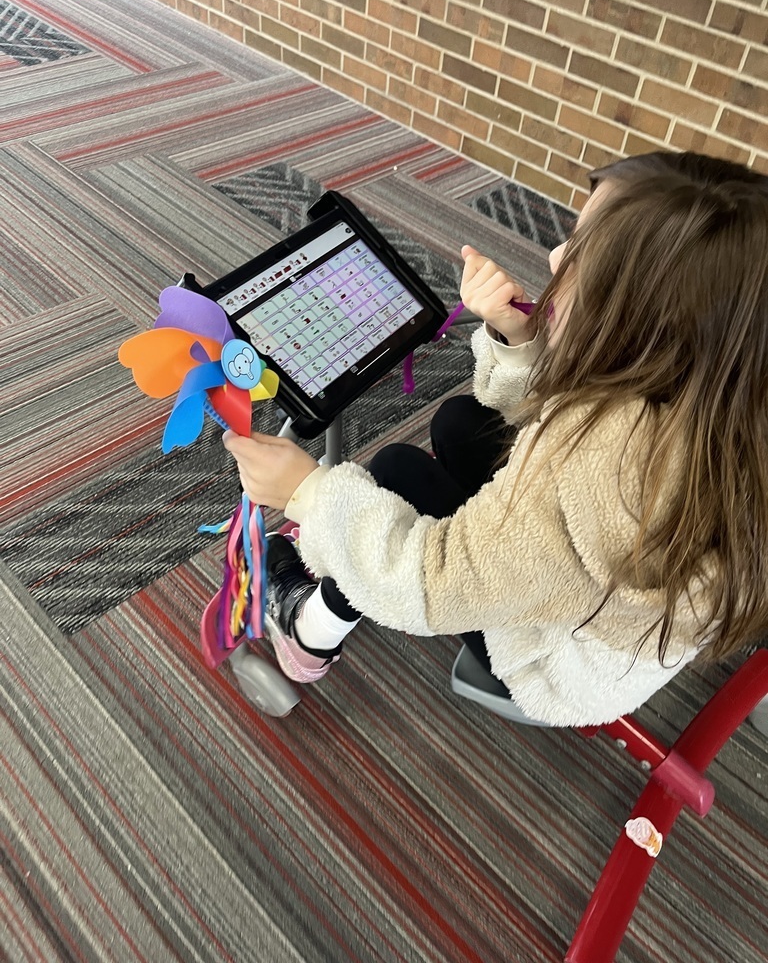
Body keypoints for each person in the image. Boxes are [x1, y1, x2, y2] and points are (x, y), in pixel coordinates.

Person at [223, 151, 768, 726]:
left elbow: (428, 584)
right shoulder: (718, 392)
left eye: (581, 253)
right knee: (460, 422)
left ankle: (310, 636)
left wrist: (309, 494)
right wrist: (520, 338)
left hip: (552, 663)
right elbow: (564, 416)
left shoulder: (604, 469)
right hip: (610, 614)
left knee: (396, 474)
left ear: (643, 316)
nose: (556, 256)